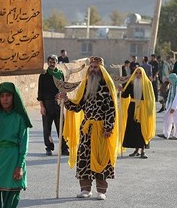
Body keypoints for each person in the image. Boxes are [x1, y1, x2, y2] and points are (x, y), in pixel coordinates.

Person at [60, 56, 119, 200]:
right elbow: (78, 106)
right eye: (91, 67)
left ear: (101, 69)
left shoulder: (107, 87)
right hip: (86, 129)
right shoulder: (85, 86)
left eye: (95, 67)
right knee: (84, 158)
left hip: (101, 129)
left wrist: (108, 127)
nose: (92, 69)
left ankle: (101, 190)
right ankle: (85, 189)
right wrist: (66, 100)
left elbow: (111, 110)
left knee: (101, 159)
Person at [37, 55, 70, 156]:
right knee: (47, 128)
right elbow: (40, 93)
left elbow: (64, 88)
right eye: (50, 62)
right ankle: (49, 147)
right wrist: (42, 106)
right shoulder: (43, 75)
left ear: (56, 63)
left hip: (59, 104)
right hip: (47, 104)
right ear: (48, 63)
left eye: (53, 62)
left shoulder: (60, 74)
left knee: (62, 127)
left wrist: (63, 96)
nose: (52, 64)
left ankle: (64, 148)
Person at [120, 67, 156, 158]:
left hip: (143, 110)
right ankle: (136, 150)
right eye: (137, 73)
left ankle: (143, 150)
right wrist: (121, 89)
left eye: (140, 73)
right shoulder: (131, 84)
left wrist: (150, 111)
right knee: (134, 129)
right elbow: (124, 95)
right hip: (132, 108)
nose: (138, 75)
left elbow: (151, 99)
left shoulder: (147, 84)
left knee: (142, 129)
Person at [157, 73, 177, 140]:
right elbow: (170, 97)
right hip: (170, 106)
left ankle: (176, 135)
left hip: (176, 107)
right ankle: (166, 134)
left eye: (170, 79)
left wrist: (173, 108)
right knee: (167, 120)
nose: (168, 80)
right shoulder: (172, 87)